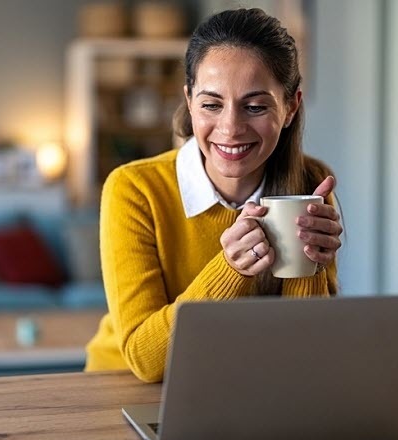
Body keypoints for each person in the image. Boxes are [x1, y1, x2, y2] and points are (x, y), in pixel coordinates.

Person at [84, 8, 343, 383]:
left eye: (254, 106)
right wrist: (231, 270)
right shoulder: (135, 189)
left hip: (237, 387)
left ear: (290, 106)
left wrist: (307, 262)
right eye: (211, 104)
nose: (231, 128)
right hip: (125, 391)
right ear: (189, 101)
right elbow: (146, 359)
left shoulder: (312, 183)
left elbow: (304, 352)